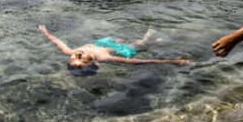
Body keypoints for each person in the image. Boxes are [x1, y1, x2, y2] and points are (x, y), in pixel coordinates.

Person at [39, 24, 192, 76]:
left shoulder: (73, 52)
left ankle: (151, 40)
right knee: (138, 45)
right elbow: (139, 62)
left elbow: (57, 41)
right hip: (112, 47)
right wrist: (174, 61)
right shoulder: (102, 58)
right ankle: (149, 37)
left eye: (78, 55)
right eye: (82, 56)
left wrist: (46, 33)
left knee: (132, 43)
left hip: (106, 44)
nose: (80, 53)